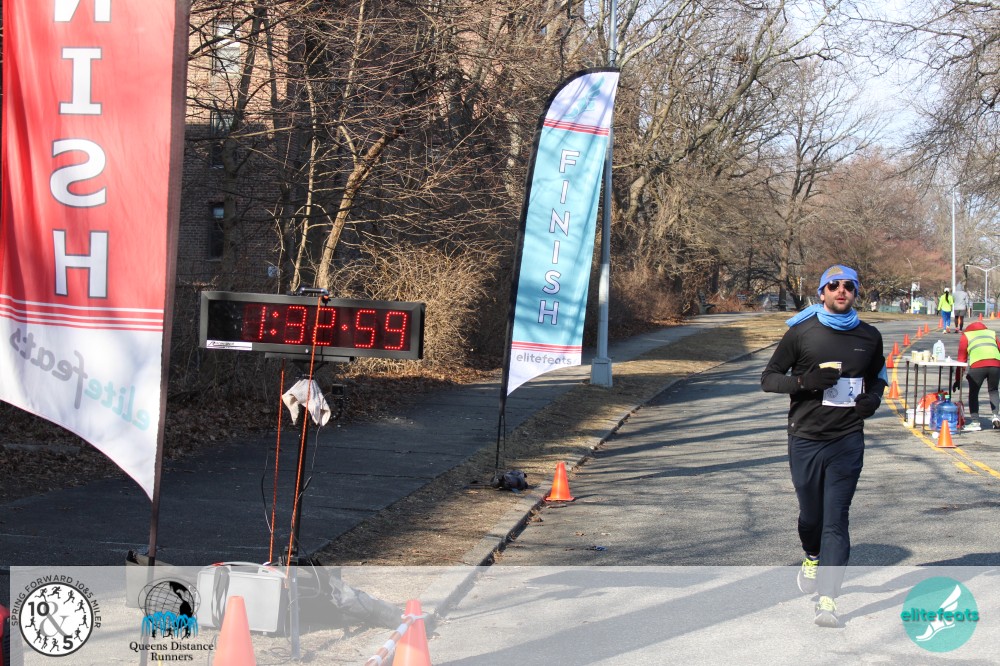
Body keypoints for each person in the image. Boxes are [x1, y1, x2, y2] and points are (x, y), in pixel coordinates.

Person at [761, 264, 887, 628]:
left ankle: (828, 600)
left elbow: (878, 377)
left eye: (848, 285)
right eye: (833, 285)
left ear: (856, 292)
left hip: (847, 439)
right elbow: (768, 379)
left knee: (836, 518)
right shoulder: (802, 333)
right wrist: (805, 382)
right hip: (805, 437)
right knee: (811, 517)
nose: (841, 290)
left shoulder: (869, 335)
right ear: (822, 292)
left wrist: (872, 400)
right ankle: (811, 556)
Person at [953, 320, 1000, 430]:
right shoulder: (991, 333)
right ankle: (996, 417)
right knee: (993, 390)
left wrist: (958, 379)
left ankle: (975, 422)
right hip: (996, 365)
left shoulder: (966, 335)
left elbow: (961, 360)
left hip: (978, 366)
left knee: (973, 393)